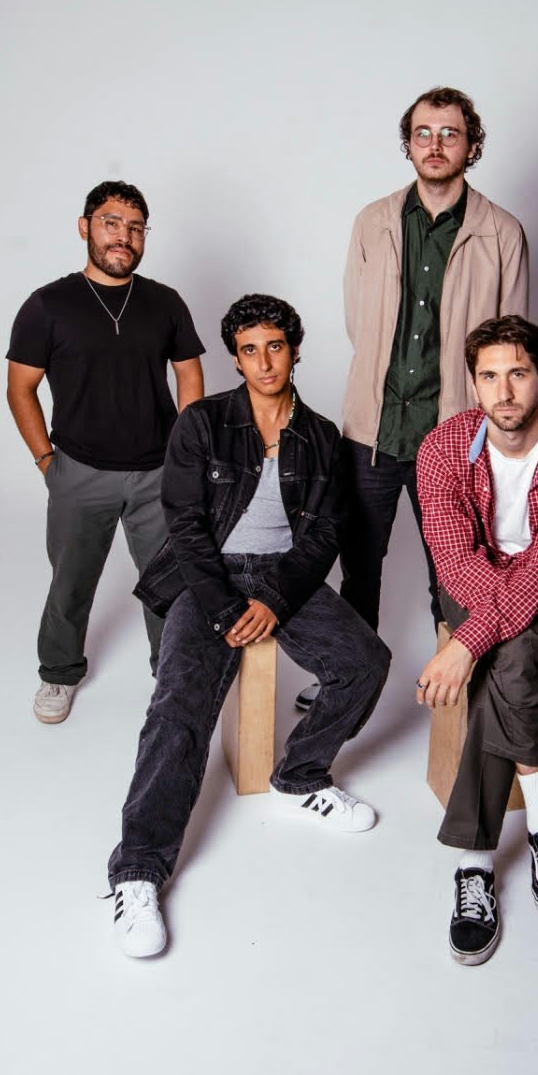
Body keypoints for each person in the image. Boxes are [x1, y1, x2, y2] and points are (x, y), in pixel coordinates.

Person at [107, 295, 390, 957]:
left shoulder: (320, 436)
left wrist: (276, 599)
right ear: (235, 358)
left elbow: (326, 532)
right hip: (208, 576)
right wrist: (225, 607)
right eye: (249, 350)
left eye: (275, 347)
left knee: (365, 662)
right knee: (178, 704)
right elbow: (185, 526)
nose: (264, 362)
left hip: (283, 574)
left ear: (295, 350)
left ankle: (301, 775)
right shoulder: (203, 423)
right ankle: (138, 871)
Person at [295, 86, 528, 712]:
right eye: (423, 133)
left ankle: (458, 684)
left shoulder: (502, 232)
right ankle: (347, 684)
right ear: (408, 143)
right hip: (373, 431)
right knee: (359, 566)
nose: (435, 144)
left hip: (456, 437)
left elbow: (511, 343)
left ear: (471, 146)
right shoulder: (372, 221)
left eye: (450, 133)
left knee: (455, 571)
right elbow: (358, 322)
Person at [414, 316, 538, 965]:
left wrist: (464, 645)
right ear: (473, 384)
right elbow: (455, 563)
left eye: (518, 374)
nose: (503, 392)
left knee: (513, 651)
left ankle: (475, 863)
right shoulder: (441, 448)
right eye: (489, 376)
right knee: (515, 641)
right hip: (473, 582)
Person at [6, 180, 205, 723]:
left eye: (136, 228)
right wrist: (46, 461)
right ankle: (58, 672)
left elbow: (189, 374)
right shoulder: (48, 304)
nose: (124, 237)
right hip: (79, 471)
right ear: (85, 227)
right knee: (70, 582)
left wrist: (184, 452)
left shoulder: (164, 302)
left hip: (158, 473)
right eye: (112, 223)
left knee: (172, 582)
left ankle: (173, 675)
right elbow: (20, 388)